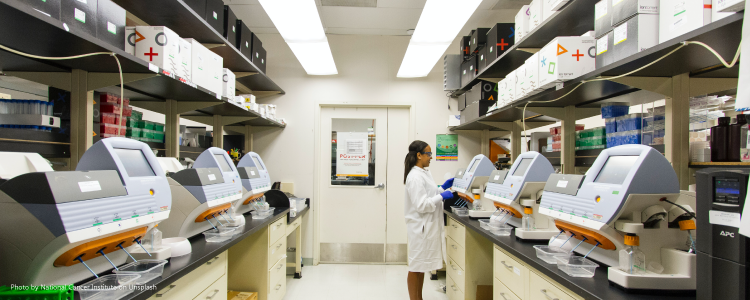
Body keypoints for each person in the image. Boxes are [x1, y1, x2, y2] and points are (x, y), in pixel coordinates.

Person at [403, 140, 455, 300]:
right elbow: (421, 204)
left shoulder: (423, 172)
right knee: (415, 267)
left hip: (425, 228)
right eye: (429, 154)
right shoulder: (415, 177)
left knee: (421, 266)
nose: (431, 157)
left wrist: (441, 189)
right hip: (420, 229)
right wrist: (441, 196)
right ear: (419, 155)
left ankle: (419, 298)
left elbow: (427, 194)